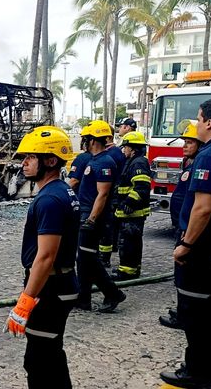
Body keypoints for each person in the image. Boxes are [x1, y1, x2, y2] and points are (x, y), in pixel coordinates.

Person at [160, 98, 211, 388]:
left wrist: (187, 245)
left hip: (203, 253)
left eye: (198, 117)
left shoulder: (208, 156)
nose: (195, 123)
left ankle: (197, 373)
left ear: (208, 122)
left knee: (195, 316)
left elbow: (202, 208)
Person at [5, 126, 80, 389]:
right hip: (60, 284)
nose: (24, 163)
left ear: (50, 160)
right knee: (51, 355)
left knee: (39, 361)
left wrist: (25, 302)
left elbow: (45, 257)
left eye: (31, 157)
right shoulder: (61, 190)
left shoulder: (49, 199)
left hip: (52, 289)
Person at [75, 120, 126, 313]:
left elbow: (102, 194)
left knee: (88, 259)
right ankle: (84, 298)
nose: (84, 142)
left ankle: (113, 293)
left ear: (92, 140)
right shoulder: (94, 160)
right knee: (84, 259)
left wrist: (91, 219)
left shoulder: (105, 162)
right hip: (86, 214)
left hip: (92, 218)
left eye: (85, 139)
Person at [160, 120, 203, 331]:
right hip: (181, 225)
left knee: (184, 273)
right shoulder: (190, 163)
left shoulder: (198, 166)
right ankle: (183, 309)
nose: (184, 146)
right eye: (184, 141)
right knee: (181, 273)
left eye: (189, 142)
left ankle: (185, 315)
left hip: (186, 229)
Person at [110, 131, 151, 281]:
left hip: (133, 212)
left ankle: (127, 272)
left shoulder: (138, 162)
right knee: (130, 241)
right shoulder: (133, 161)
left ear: (133, 148)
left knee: (128, 243)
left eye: (125, 147)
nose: (123, 150)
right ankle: (131, 269)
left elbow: (141, 186)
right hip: (130, 211)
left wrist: (129, 203)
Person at [99, 124, 126, 267]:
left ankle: (104, 257)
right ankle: (111, 247)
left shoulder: (111, 154)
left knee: (108, 226)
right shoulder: (116, 152)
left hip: (112, 193)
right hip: (114, 192)